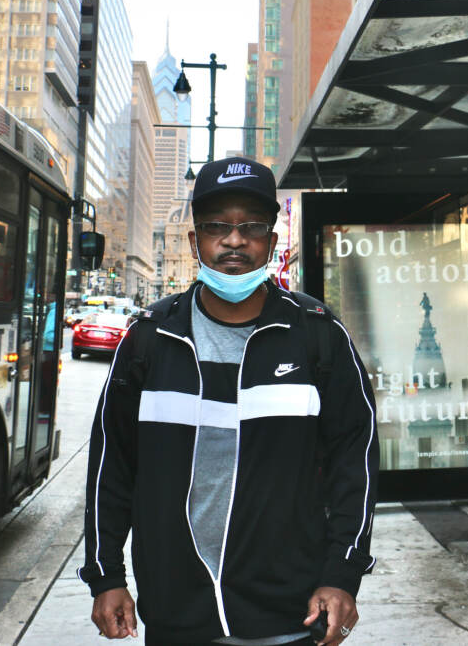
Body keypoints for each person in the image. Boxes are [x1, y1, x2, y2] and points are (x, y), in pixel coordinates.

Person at [78, 157, 379, 645]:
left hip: (292, 614)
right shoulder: (149, 340)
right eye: (217, 226)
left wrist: (342, 574)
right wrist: (106, 575)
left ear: (272, 243)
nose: (234, 240)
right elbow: (111, 466)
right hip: (177, 615)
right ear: (196, 242)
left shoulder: (317, 336)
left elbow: (356, 462)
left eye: (251, 227)